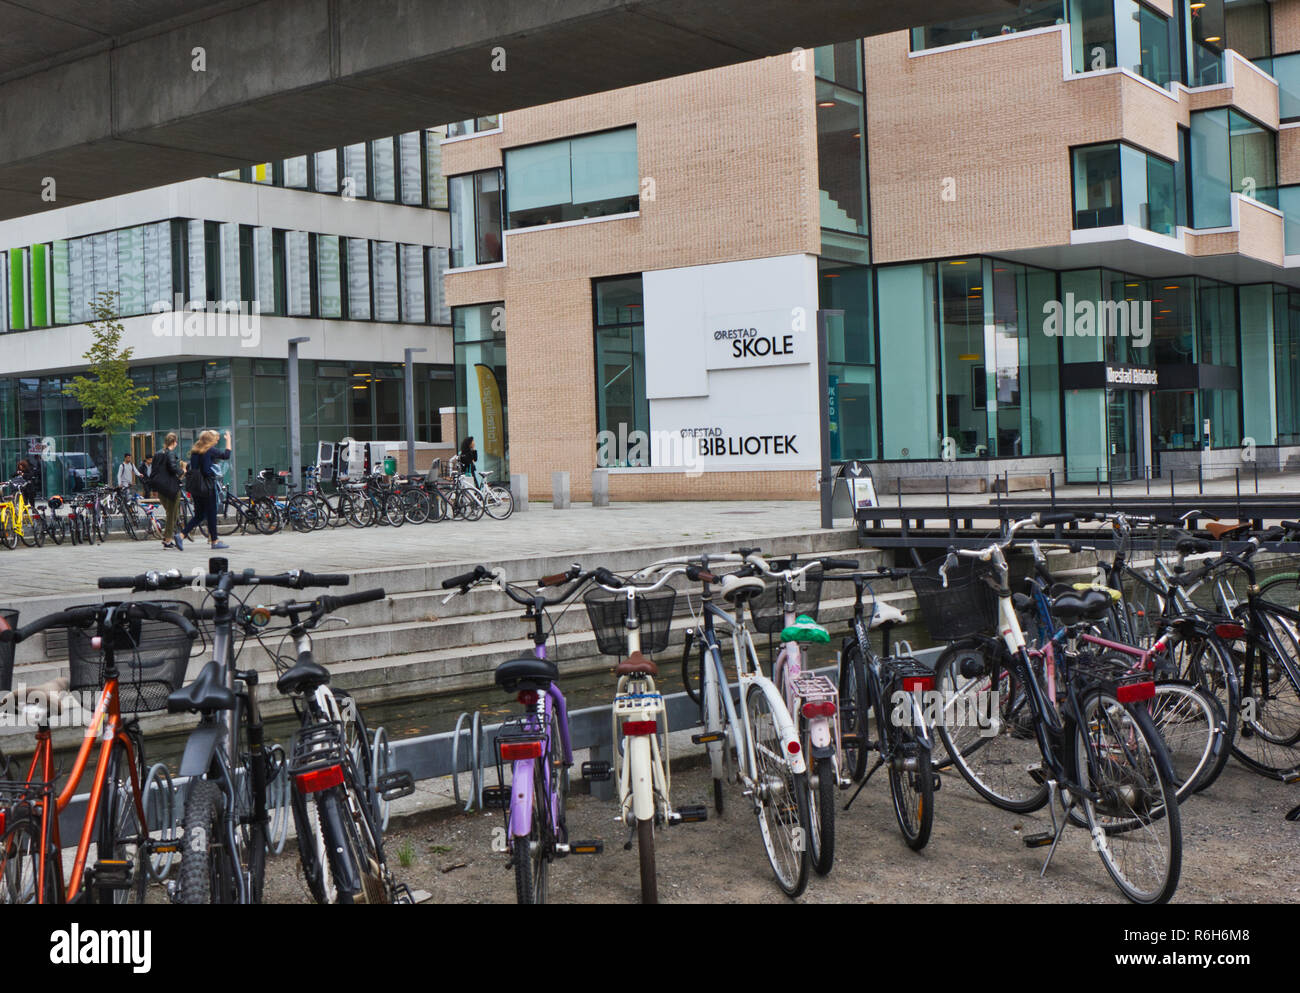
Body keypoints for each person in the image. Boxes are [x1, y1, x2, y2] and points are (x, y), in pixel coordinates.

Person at [180, 430, 233, 550]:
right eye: (215, 439)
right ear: (210, 440)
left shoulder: (195, 451)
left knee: (199, 515)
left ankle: (181, 534)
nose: (216, 441)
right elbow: (226, 456)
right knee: (212, 513)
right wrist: (228, 440)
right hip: (207, 486)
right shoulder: (209, 450)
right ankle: (214, 541)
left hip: (196, 487)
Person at [150, 434, 184, 550]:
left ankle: (167, 538)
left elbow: (153, 471)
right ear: (174, 441)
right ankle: (168, 539)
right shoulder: (170, 453)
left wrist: (154, 488)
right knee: (172, 514)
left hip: (160, 488)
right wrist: (182, 471)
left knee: (170, 512)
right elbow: (173, 468)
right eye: (176, 441)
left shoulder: (158, 453)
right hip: (171, 487)